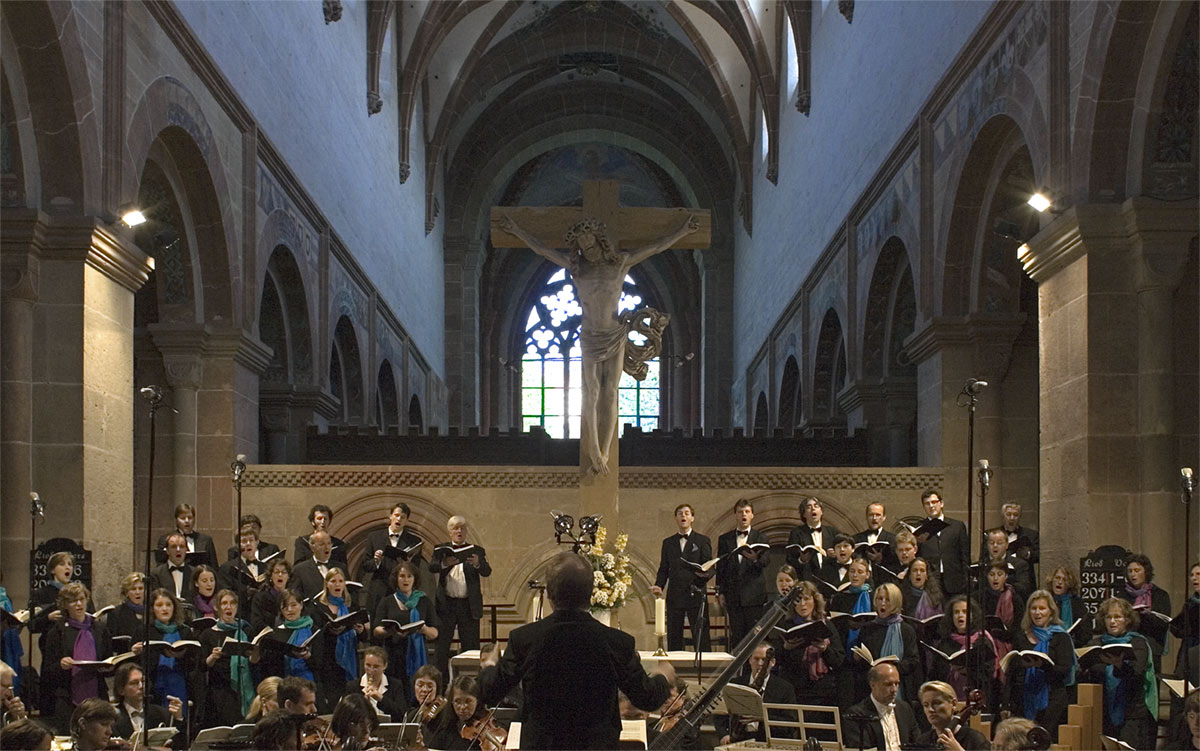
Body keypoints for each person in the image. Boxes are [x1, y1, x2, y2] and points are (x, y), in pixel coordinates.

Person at [496, 212, 699, 476]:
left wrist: (683, 231)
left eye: (591, 245)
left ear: (599, 242)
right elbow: (543, 250)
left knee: (611, 392)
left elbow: (655, 247)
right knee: (590, 392)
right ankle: (592, 448)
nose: (588, 251)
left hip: (614, 334)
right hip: (590, 337)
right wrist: (515, 230)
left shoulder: (620, 265)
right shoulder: (577, 271)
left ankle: (604, 450)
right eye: (582, 248)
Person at [478, 551, 674, 749]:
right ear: (590, 594)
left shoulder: (524, 639)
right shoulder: (616, 642)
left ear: (548, 594)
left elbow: (491, 692)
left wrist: (489, 666)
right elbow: (647, 698)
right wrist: (662, 677)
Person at [1082, 597, 1157, 750]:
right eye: (1109, 617)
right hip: (1101, 712)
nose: (1112, 621)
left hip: (1132, 712)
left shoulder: (1138, 642)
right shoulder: (1095, 644)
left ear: (1127, 620)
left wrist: (1119, 665)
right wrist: (1117, 666)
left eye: (1118, 617)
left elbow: (1137, 671)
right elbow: (1091, 667)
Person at [1004, 590, 1076, 742]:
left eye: (1042, 608)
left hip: (1052, 701)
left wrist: (1042, 666)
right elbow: (1011, 672)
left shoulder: (1060, 637)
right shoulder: (1021, 636)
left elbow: (1064, 670)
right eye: (1033, 608)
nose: (1037, 613)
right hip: (1022, 699)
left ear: (1051, 611)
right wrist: (1006, 703)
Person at [41, 582, 111, 732]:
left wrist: (108, 667)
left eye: (82, 599)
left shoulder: (99, 628)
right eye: (73, 601)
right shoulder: (57, 631)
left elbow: (108, 659)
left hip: (97, 693)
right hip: (67, 697)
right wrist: (61, 664)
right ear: (65, 605)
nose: (79, 604)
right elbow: (47, 669)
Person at [429, 515, 491, 678]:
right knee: (441, 649)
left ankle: (471, 684)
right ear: (449, 532)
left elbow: (486, 571)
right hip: (446, 605)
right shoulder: (441, 550)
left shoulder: (476, 550)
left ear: (466, 531)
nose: (459, 531)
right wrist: (445, 563)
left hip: (468, 605)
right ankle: (439, 688)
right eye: (455, 528)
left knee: (470, 648)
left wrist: (477, 563)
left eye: (462, 528)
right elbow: (432, 567)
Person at [371, 560, 438, 697]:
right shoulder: (387, 601)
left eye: (409, 576)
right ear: (396, 579)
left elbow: (435, 632)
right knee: (396, 693)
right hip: (393, 654)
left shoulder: (424, 601)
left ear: (415, 579)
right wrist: (390, 631)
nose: (405, 580)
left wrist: (424, 629)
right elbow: (376, 630)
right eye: (402, 576)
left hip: (417, 654)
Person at [652, 503, 713, 651]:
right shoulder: (668, 542)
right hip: (675, 593)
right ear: (676, 518)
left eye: (686, 513)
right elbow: (664, 568)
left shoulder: (702, 540)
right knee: (674, 634)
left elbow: (710, 567)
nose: (683, 516)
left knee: (700, 633)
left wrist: (703, 575)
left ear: (692, 518)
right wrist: (659, 585)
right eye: (680, 513)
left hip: (695, 592)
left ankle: (704, 667)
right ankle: (675, 667)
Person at [773, 580, 843, 706]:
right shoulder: (787, 625)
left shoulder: (827, 624)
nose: (803, 604)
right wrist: (787, 648)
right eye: (798, 600)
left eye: (806, 599)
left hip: (823, 690)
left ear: (815, 601)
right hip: (796, 688)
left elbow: (839, 659)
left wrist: (825, 649)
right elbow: (777, 661)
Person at [307, 569, 366, 711]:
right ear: (327, 584)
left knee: (350, 700)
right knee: (332, 701)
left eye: (340, 581)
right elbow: (314, 633)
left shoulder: (352, 607)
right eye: (333, 581)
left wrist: (360, 630)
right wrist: (329, 630)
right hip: (328, 660)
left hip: (349, 659)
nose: (337, 584)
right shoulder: (318, 607)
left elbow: (363, 637)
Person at [200, 588, 259, 726]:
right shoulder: (208, 634)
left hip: (244, 687)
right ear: (217, 607)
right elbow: (202, 666)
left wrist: (255, 654)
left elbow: (254, 663)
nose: (228, 607)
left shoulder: (246, 630)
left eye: (232, 603)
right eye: (224, 603)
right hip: (220, 690)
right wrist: (212, 657)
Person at [714, 644, 795, 744]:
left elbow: (790, 724)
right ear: (750, 660)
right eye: (756, 659)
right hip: (738, 740)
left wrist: (763, 717)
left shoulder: (784, 688)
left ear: (773, 662)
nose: (760, 663)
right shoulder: (735, 684)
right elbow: (720, 714)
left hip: (768, 742)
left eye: (764, 660)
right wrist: (724, 735)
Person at [716, 498, 769, 648]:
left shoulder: (761, 537)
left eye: (747, 512)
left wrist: (754, 559)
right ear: (735, 515)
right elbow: (722, 567)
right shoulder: (725, 539)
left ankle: (752, 670)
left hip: (754, 596)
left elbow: (766, 562)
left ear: (752, 515)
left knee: (754, 636)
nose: (743, 515)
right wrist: (720, 592)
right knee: (737, 637)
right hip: (733, 595)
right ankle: (738, 671)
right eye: (740, 512)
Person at [856, 583, 920, 703]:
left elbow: (913, 660)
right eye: (880, 599)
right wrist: (858, 658)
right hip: (871, 687)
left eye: (888, 600)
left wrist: (890, 671)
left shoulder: (906, 629)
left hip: (899, 687)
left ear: (896, 602)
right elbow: (863, 664)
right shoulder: (868, 628)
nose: (883, 603)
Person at [136, 588, 195, 721]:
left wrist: (182, 655)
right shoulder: (144, 631)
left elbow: (194, 664)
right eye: (159, 605)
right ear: (152, 609)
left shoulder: (184, 631)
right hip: (153, 686)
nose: (164, 609)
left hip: (179, 684)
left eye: (168, 605)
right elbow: (135, 665)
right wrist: (136, 652)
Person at [932, 595, 1000, 707]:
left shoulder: (982, 640)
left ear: (973, 615)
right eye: (956, 612)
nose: (960, 615)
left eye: (965, 612)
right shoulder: (945, 642)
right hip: (948, 701)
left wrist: (967, 671)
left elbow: (988, 675)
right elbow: (936, 673)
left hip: (977, 700)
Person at [361, 503, 423, 615]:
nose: (399, 519)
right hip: (379, 591)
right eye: (396, 515)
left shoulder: (414, 541)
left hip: (402, 592)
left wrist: (407, 565)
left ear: (407, 520)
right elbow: (365, 565)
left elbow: (416, 569)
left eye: (403, 517)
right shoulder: (374, 537)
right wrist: (377, 561)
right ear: (390, 516)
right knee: (377, 627)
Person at [842, 663, 918, 751]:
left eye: (897, 684)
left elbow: (916, 743)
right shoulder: (856, 714)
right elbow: (861, 747)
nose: (894, 690)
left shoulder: (904, 708)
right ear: (872, 685)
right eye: (888, 684)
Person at [1117, 553, 1172, 672]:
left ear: (1146, 572)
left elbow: (1164, 622)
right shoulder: (1122, 595)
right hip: (1128, 646)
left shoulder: (1160, 595)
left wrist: (1145, 614)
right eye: (1130, 571)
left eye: (1137, 570)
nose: (1133, 574)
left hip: (1152, 646)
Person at [259, 591, 321, 685]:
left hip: (310, 683)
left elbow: (321, 664)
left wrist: (308, 657)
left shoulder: (313, 629)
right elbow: (271, 667)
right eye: (285, 606)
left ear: (301, 605)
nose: (289, 609)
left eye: (293, 605)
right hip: (284, 684)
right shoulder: (275, 633)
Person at [915, 489, 970, 596]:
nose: (931, 506)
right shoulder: (919, 528)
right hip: (930, 582)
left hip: (955, 582)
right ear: (923, 507)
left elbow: (965, 555)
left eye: (934, 502)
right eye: (927, 503)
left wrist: (966, 579)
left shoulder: (957, 526)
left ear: (941, 503)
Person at [913, 680, 990, 750]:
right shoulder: (923, 741)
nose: (930, 709)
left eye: (936, 703)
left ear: (953, 703)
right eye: (926, 705)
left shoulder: (975, 740)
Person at [110, 663, 180, 740]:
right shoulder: (112, 718)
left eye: (143, 681)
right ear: (121, 690)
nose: (141, 686)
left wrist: (178, 718)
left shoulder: (162, 714)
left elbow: (178, 744)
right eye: (134, 683)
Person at [220, 525, 270, 621]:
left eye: (251, 540)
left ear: (257, 542)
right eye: (244, 541)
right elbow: (226, 594)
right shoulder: (227, 568)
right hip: (240, 618)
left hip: (263, 619)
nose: (248, 544)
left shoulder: (266, 568)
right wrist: (245, 593)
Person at [428, 675, 490, 751]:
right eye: (457, 701)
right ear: (451, 702)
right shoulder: (444, 731)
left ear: (477, 700)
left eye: (468, 701)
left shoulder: (488, 726)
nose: (462, 707)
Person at [787, 496, 841, 578]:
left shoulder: (833, 532)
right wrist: (802, 560)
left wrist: (836, 553)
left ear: (821, 511)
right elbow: (790, 559)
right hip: (807, 578)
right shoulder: (797, 533)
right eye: (809, 507)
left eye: (816, 506)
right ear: (804, 514)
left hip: (830, 578)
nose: (813, 509)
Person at [290, 531, 348, 602]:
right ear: (312, 547)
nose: (327, 547)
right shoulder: (300, 570)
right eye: (322, 544)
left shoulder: (341, 567)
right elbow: (295, 597)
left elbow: (350, 593)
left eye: (329, 543)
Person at [156, 503, 219, 568]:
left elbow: (213, 567)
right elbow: (160, 566)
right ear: (176, 520)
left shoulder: (206, 540)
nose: (187, 521)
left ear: (194, 519)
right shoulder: (166, 539)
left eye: (190, 518)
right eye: (182, 518)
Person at [978, 529, 1032, 599]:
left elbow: (1024, 588)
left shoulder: (1020, 565)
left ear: (1007, 545)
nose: (995, 546)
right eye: (991, 543)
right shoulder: (980, 565)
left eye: (999, 543)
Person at [1046, 565, 1092, 647]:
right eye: (1057, 578)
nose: (1060, 582)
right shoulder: (1045, 600)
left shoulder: (1077, 603)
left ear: (1069, 584)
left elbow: (1085, 632)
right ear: (1051, 580)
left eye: (1064, 580)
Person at [359, 646, 407, 722]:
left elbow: (401, 715)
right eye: (368, 665)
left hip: (389, 732)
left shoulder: (395, 685)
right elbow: (348, 715)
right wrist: (363, 703)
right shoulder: (353, 686)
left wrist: (381, 699)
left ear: (385, 666)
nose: (371, 670)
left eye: (376, 666)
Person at [854, 502, 902, 574]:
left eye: (878, 515)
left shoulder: (893, 539)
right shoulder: (855, 539)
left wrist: (881, 560)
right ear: (866, 517)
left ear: (884, 517)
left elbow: (897, 566)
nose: (874, 518)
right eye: (871, 515)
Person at [999, 504, 1039, 591]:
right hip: (999, 583)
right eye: (1008, 514)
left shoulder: (1031, 535)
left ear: (1020, 517)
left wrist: (1028, 554)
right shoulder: (993, 535)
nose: (1012, 518)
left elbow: (1040, 555)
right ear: (1003, 516)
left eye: (1016, 515)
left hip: (1023, 583)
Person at [982, 561, 1024, 642]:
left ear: (1006, 576)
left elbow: (1019, 626)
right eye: (991, 574)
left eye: (1000, 574)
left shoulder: (1015, 599)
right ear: (987, 576)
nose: (995, 578)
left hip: (1010, 640)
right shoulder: (980, 597)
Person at [105, 572, 147, 653]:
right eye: (133, 589)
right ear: (127, 592)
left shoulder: (152, 611)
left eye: (141, 588)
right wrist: (129, 647)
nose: (137, 592)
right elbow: (110, 643)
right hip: (126, 658)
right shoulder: (116, 613)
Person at [251, 558, 292, 636]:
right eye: (276, 572)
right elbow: (256, 623)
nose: (280, 575)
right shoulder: (260, 598)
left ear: (288, 576)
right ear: (271, 576)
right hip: (268, 638)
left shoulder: (294, 597)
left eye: (284, 572)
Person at [151, 533, 196, 602]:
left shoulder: (194, 573)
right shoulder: (156, 574)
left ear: (186, 550)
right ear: (167, 551)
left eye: (182, 546)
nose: (178, 550)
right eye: (174, 546)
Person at [1171, 563, 1200, 658]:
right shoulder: (1190, 603)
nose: (1194, 578)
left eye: (1198, 574)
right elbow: (1180, 627)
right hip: (1189, 647)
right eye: (1191, 575)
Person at [2, 660, 28, 725]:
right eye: (5, 686)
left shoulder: (6, 709)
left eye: (10, 688)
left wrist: (20, 717)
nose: (8, 693)